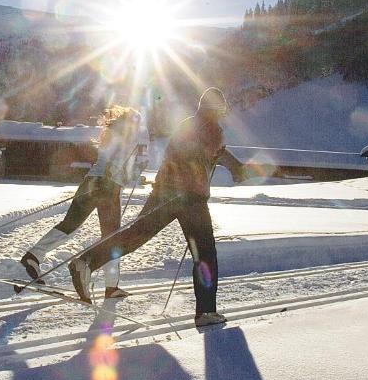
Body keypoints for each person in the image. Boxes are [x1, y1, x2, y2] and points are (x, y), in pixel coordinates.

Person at [69, 87, 228, 326]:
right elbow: (200, 153)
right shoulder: (213, 129)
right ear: (217, 109)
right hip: (190, 198)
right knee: (205, 252)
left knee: (137, 234)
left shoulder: (187, 124)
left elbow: (182, 152)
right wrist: (216, 156)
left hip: (164, 190)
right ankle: (206, 312)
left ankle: (86, 262)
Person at [20, 105, 143, 298]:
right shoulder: (128, 139)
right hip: (108, 187)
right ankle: (111, 287)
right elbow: (121, 169)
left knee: (70, 224)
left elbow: (107, 160)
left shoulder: (110, 133)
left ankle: (33, 256)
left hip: (90, 181)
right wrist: (136, 172)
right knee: (112, 238)